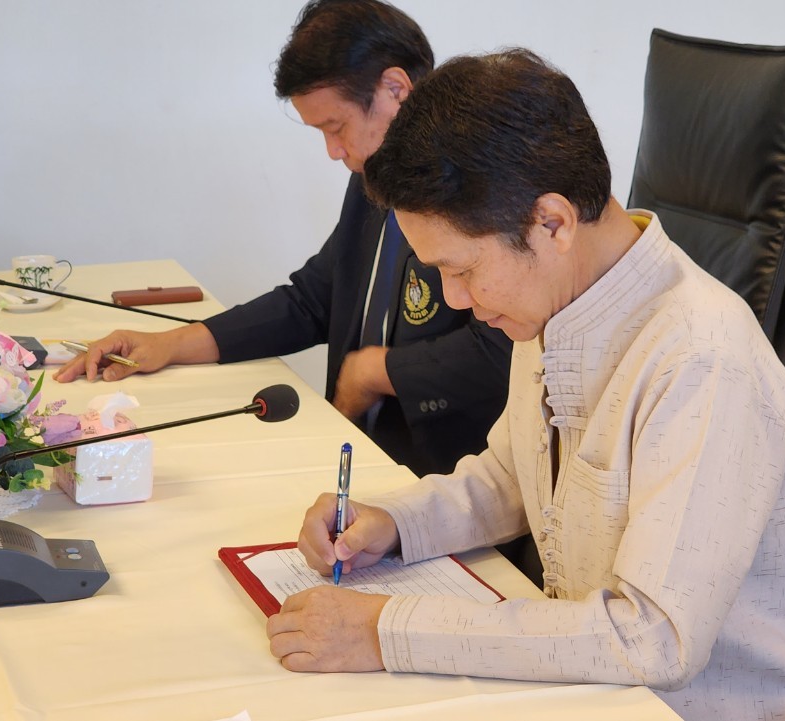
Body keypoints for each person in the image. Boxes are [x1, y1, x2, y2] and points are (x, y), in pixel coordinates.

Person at [265, 49, 785, 721]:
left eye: (462, 269)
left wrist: (386, 630)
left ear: (552, 222)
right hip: (600, 694)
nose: (455, 299)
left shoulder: (703, 359)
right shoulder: (552, 306)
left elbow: (654, 637)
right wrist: (396, 523)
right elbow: (512, 477)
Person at [53, 0, 511, 477]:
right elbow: (311, 301)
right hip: (357, 451)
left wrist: (377, 371)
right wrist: (170, 344)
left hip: (448, 473)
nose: (333, 151)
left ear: (395, 89)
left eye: (336, 127)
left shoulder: (480, 189)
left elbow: (504, 349)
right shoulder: (372, 177)